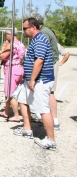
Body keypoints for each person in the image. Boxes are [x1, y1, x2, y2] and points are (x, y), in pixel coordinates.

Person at [13, 18, 56, 151]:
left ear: (33, 27)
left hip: (40, 80)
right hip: (32, 79)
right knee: (22, 101)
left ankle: (51, 140)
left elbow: (39, 61)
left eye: (25, 28)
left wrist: (32, 79)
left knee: (43, 109)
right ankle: (27, 129)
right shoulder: (35, 40)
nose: (24, 31)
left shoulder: (40, 40)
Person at [32, 14, 60, 129]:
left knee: (49, 92)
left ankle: (53, 119)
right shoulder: (45, 31)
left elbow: (41, 55)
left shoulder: (43, 33)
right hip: (50, 63)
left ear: (38, 24)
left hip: (50, 64)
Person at [0, 28, 25, 121]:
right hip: (19, 68)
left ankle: (16, 115)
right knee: (9, 91)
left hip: (11, 69)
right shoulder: (21, 44)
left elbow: (2, 56)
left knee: (10, 93)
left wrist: (4, 47)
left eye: (6, 34)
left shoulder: (11, 44)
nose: (6, 36)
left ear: (10, 34)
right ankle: (6, 111)